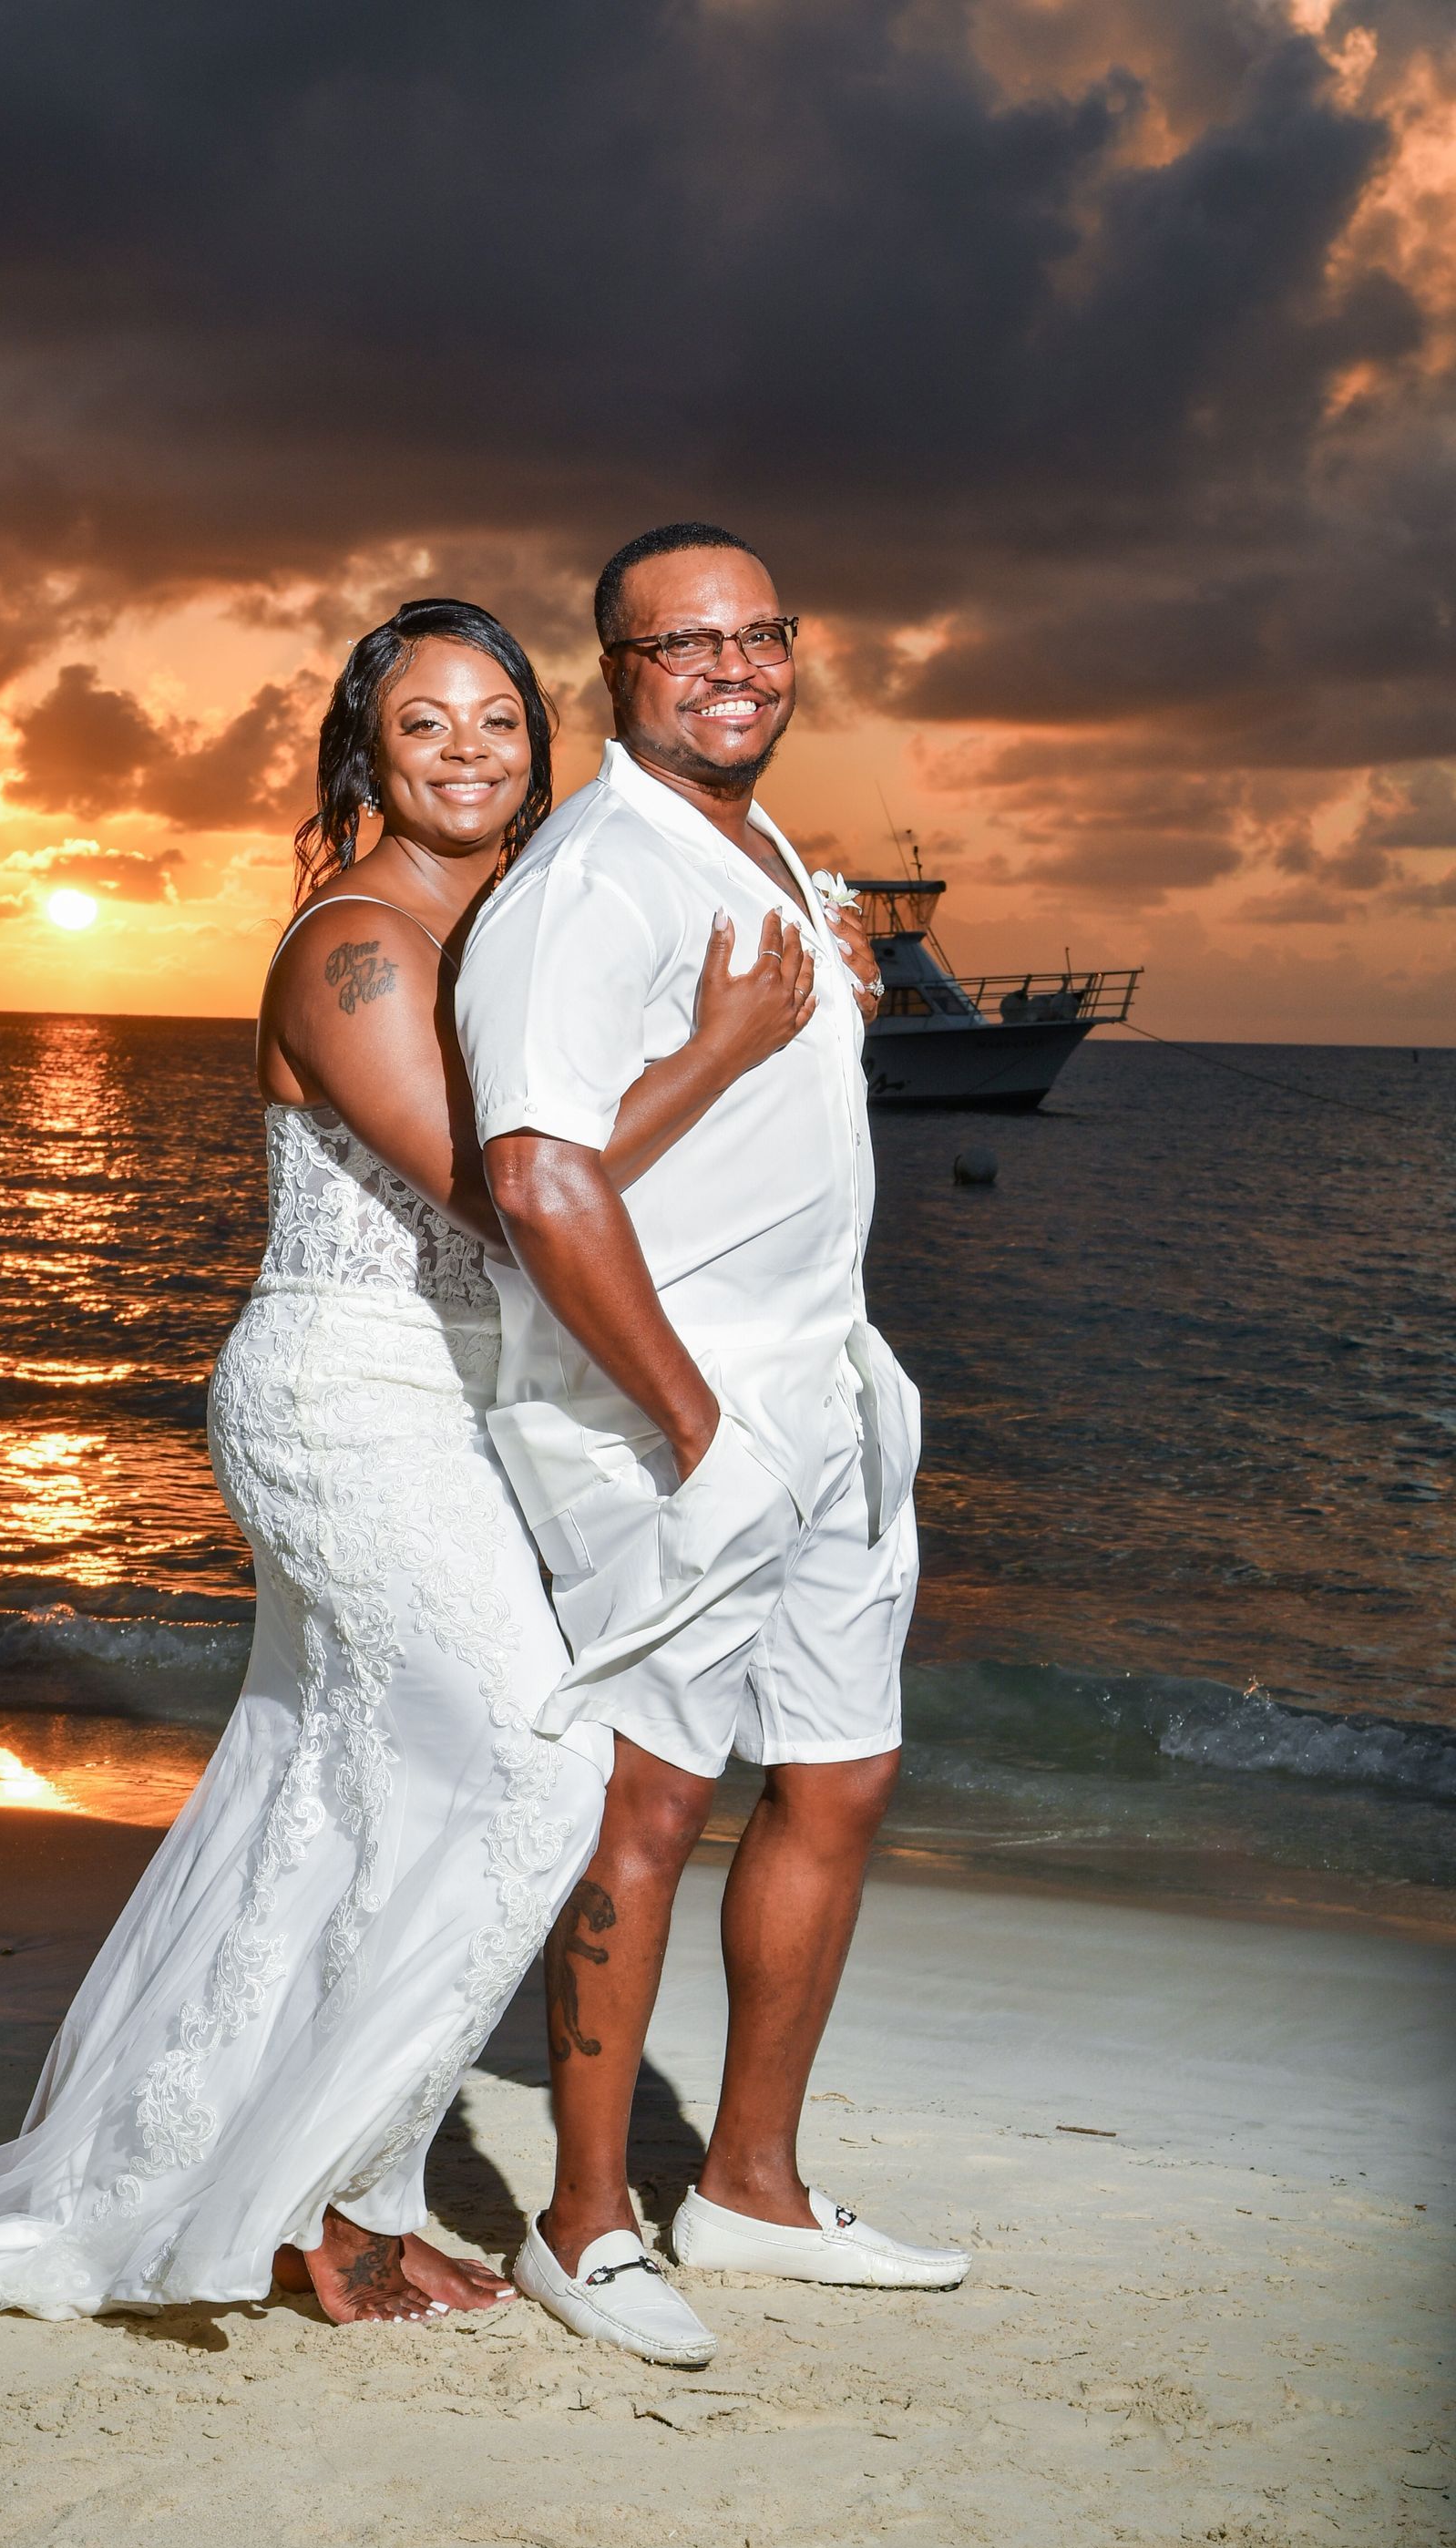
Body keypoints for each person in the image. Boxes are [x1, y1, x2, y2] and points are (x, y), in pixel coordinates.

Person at [0, 597, 817, 2328]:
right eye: (423, 724)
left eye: (499, 722)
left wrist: (812, 997)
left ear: (540, 741)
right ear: (364, 749)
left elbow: (597, 1131)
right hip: (344, 1396)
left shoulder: (506, 916)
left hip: (462, 1397)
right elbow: (505, 1199)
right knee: (530, 1765)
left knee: (352, 1795)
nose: (467, 755)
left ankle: (349, 2191)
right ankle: (309, 2195)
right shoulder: (350, 945)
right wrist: (718, 1050)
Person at [456, 525, 967, 2369]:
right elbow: (534, 1173)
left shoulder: (760, 854)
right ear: (618, 668)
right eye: (691, 643)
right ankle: (583, 2225)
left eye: (762, 632)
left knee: (836, 1776)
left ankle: (748, 2188)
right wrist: (692, 1426)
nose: (735, 665)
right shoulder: (586, 883)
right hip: (667, 1412)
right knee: (649, 1804)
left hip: (832, 1387)